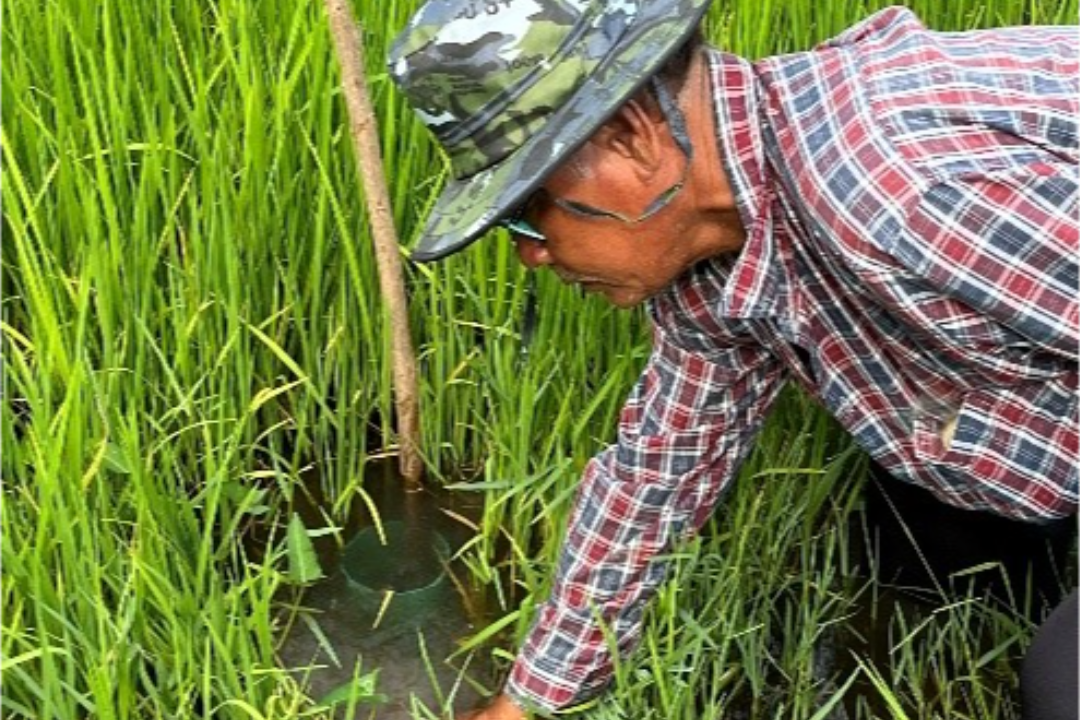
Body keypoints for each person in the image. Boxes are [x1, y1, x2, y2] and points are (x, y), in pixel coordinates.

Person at [386, 2, 1079, 718]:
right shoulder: (714, 253)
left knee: (1064, 684)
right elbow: (658, 478)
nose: (531, 254)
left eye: (528, 211)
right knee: (926, 551)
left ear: (631, 137)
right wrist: (527, 704)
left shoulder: (891, 183)